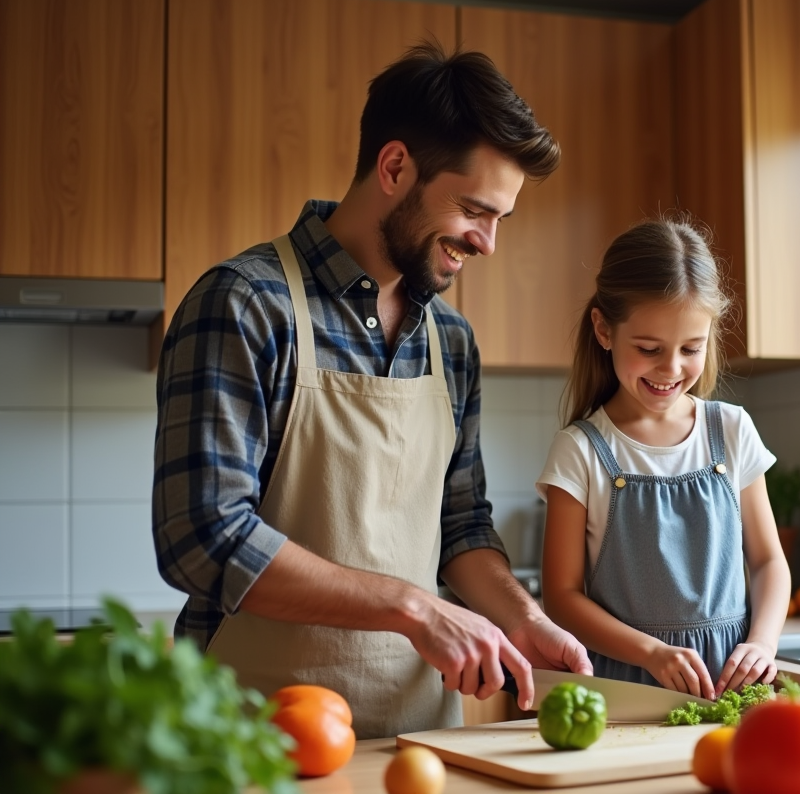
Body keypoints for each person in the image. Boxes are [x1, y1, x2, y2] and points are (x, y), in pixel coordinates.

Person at [151, 42, 591, 740]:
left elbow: (462, 527)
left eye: (502, 218)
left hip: (420, 741)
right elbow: (202, 537)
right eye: (476, 209)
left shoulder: (451, 342)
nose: (488, 242)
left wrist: (523, 617)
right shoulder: (244, 305)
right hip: (250, 742)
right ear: (394, 167)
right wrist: (416, 609)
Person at [536, 217, 791, 699]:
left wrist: (763, 641)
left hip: (730, 687)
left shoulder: (732, 430)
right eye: (649, 349)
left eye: (691, 348)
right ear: (604, 330)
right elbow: (562, 599)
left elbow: (768, 561)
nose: (671, 368)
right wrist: (651, 653)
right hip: (628, 689)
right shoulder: (581, 451)